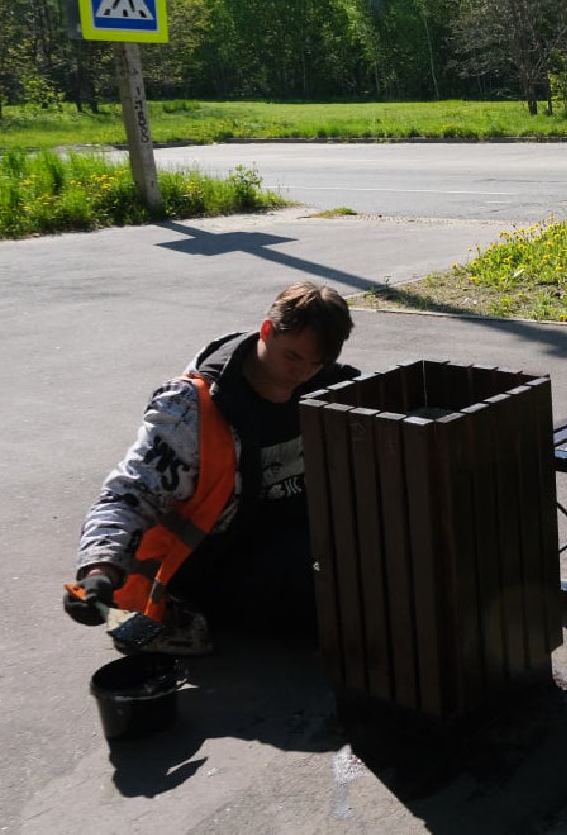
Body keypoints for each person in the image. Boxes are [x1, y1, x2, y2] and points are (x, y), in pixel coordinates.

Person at [63, 280, 357, 654]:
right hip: (218, 556)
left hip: (292, 532)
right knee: (333, 611)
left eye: (316, 364)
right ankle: (172, 613)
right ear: (267, 330)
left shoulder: (326, 384)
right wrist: (98, 570)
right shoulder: (190, 410)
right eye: (293, 357)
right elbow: (130, 491)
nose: (301, 374)